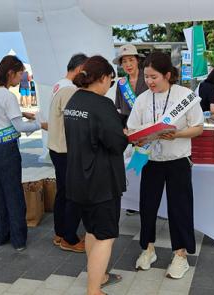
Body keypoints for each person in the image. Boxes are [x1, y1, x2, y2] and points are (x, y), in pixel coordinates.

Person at [127, 52, 204, 279]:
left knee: (179, 208)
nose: (149, 81)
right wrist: (138, 136)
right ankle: (148, 249)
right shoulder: (142, 98)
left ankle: (180, 255)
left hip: (178, 160)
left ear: (168, 75)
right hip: (150, 160)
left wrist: (178, 134)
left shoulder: (186, 96)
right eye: (147, 77)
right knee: (147, 206)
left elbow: (198, 128)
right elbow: (132, 129)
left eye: (154, 77)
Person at [64, 55, 127, 295]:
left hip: (78, 178)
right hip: (101, 181)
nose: (110, 85)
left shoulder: (74, 100)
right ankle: (94, 290)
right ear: (102, 78)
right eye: (110, 80)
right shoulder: (102, 105)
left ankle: (98, 278)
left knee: (91, 230)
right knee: (105, 236)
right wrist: (125, 134)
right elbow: (117, 143)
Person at [0, 55, 46, 250]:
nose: (20, 79)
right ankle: (19, 241)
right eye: (19, 75)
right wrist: (39, 124)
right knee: (13, 194)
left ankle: (2, 236)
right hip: (6, 150)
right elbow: (19, 127)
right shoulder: (8, 96)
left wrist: (22, 113)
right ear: (10, 73)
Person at [48, 53, 88, 253]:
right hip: (66, 149)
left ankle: (60, 232)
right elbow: (75, 122)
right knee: (73, 193)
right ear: (80, 68)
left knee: (63, 192)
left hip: (56, 147)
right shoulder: (70, 90)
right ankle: (69, 238)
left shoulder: (59, 84)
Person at [112, 44, 148, 217]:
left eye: (131, 60)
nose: (128, 64)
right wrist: (123, 129)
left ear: (138, 61)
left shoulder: (147, 78)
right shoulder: (121, 83)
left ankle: (149, 201)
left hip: (148, 127)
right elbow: (118, 108)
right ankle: (134, 202)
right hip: (130, 129)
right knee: (133, 166)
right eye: (124, 61)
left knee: (148, 164)